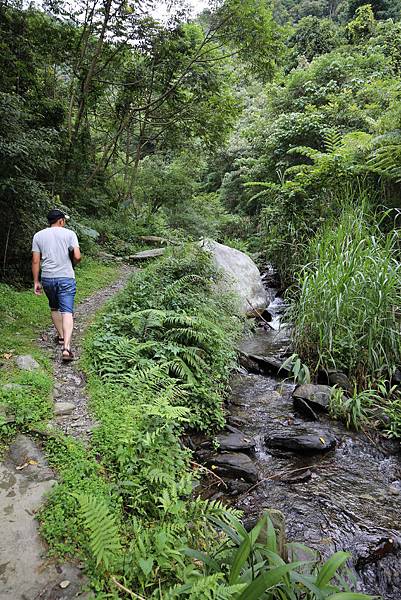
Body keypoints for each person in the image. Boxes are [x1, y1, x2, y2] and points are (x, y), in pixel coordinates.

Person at [32, 209, 81, 362]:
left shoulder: (38, 236)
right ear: (60, 221)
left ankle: (60, 336)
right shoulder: (70, 234)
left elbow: (35, 261)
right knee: (67, 311)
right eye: (64, 220)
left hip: (48, 278)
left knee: (54, 307)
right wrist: (74, 261)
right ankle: (66, 347)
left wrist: (36, 281)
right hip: (66, 277)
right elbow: (77, 256)